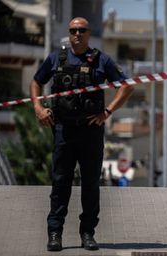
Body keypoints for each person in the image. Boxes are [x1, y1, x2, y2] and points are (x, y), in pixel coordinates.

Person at [30, 17, 133, 251]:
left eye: (82, 30)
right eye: (73, 30)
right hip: (63, 130)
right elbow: (36, 82)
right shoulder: (57, 58)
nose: (77, 34)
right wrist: (38, 108)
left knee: (90, 185)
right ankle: (54, 233)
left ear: (88, 34)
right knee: (60, 184)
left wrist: (107, 112)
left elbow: (127, 86)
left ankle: (88, 233)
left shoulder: (101, 60)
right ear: (69, 33)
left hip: (90, 132)